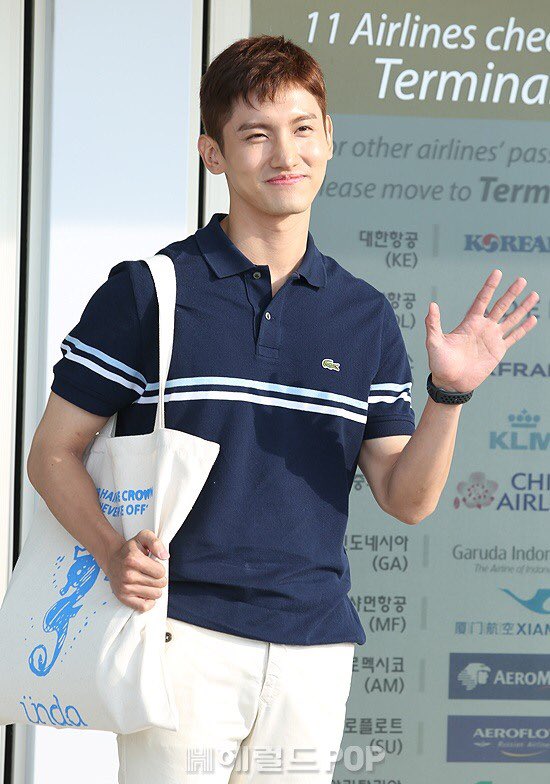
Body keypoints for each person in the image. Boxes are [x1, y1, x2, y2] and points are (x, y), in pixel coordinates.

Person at [26, 33, 538, 784]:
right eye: (255, 134)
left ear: (329, 138)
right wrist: (110, 552)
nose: (285, 154)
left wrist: (448, 395)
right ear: (213, 154)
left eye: (302, 128)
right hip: (179, 638)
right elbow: (51, 452)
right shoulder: (148, 291)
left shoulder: (364, 316)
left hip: (314, 654)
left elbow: (407, 499)